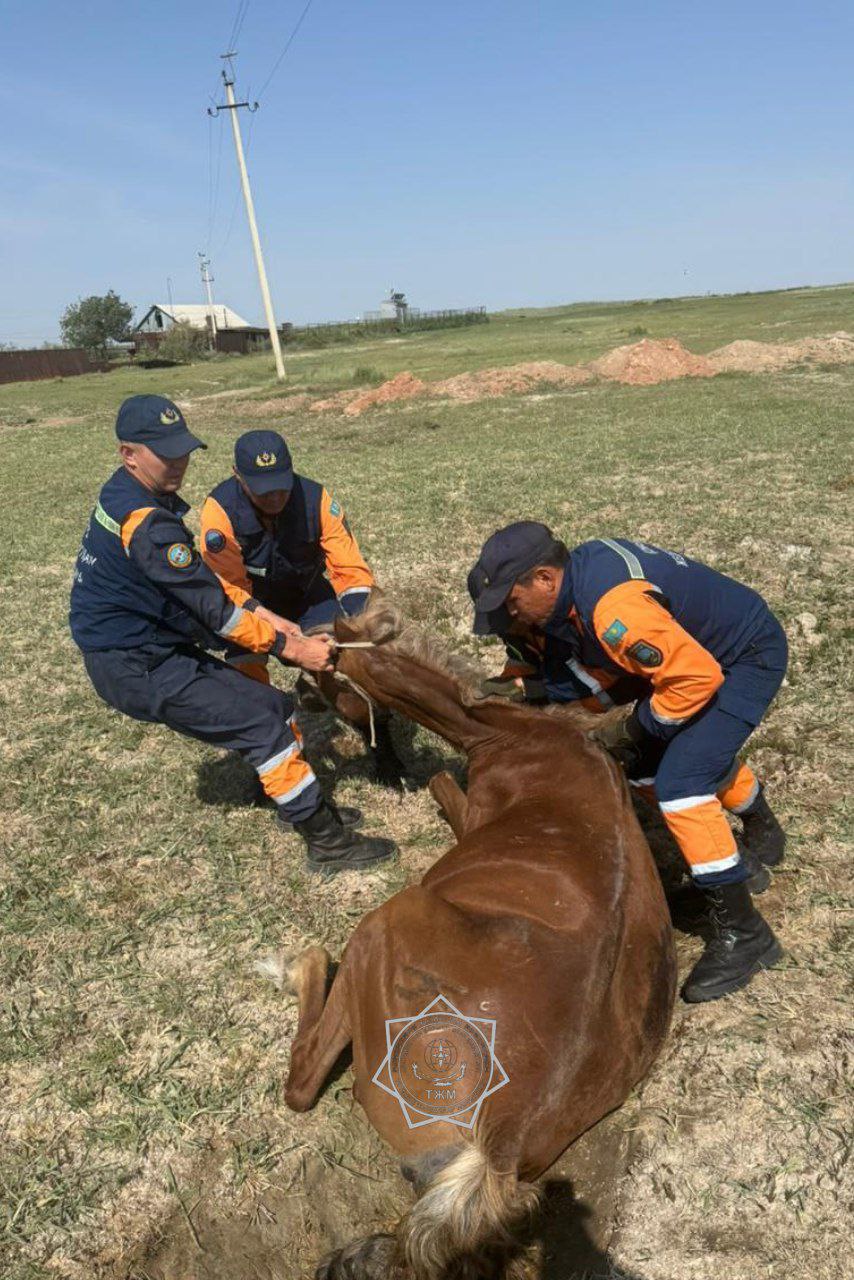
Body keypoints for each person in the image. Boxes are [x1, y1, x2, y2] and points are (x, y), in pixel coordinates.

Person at [69, 394, 396, 875]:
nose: (178, 461)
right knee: (262, 724)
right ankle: (327, 842)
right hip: (135, 663)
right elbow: (217, 611)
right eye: (165, 452)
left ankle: (298, 804)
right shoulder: (149, 525)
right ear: (129, 454)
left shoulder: (129, 496)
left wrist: (275, 619)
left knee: (272, 708)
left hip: (152, 648)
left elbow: (211, 592)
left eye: (182, 449)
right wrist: (292, 645)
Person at [467, 521, 787, 1003]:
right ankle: (751, 848)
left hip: (739, 657)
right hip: (693, 664)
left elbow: (696, 679)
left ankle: (746, 933)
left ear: (544, 579)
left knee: (682, 783)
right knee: (651, 768)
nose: (514, 617)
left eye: (513, 603)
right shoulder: (572, 592)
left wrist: (634, 729)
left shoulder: (613, 608)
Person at [198, 428, 405, 786]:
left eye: (282, 484)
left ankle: (380, 741)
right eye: (263, 489)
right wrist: (281, 635)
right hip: (251, 604)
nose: (276, 496)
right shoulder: (219, 514)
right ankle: (271, 761)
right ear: (237, 475)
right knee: (248, 679)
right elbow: (228, 589)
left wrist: (351, 625)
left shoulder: (317, 499)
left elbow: (350, 570)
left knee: (346, 662)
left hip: (307, 592)